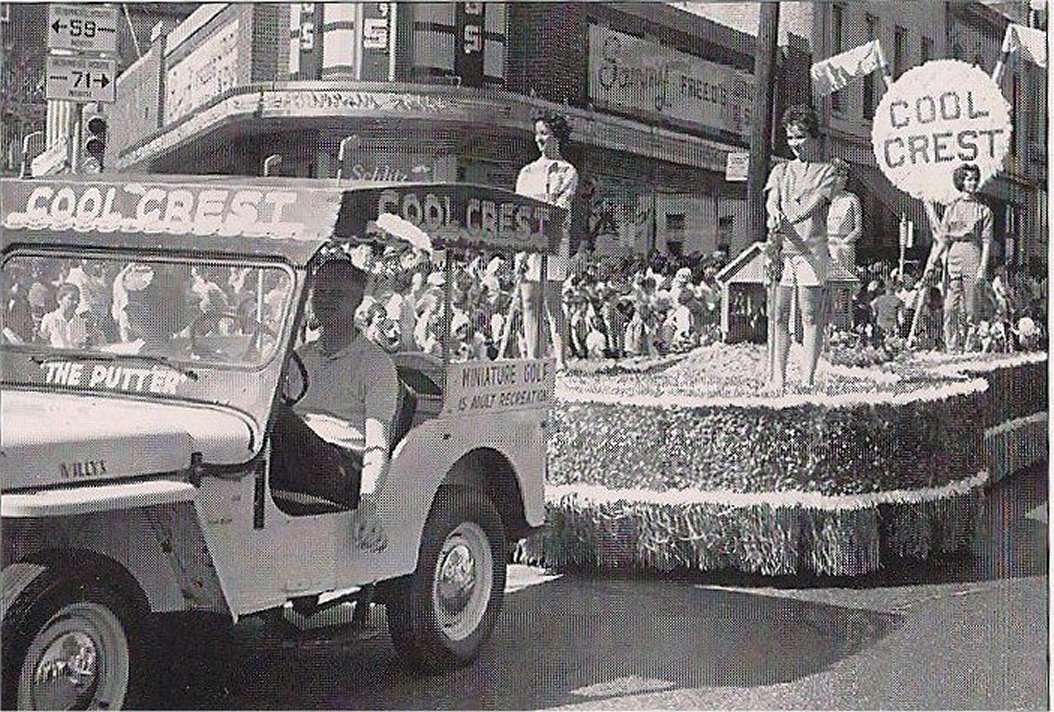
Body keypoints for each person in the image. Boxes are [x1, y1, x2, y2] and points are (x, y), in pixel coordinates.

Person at [272, 259, 392, 552]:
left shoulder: (375, 364)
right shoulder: (302, 355)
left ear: (357, 301)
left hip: (344, 468)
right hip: (299, 459)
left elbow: (377, 442)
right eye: (320, 293)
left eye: (336, 294)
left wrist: (368, 502)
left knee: (276, 417)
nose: (324, 301)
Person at [764, 104, 837, 390]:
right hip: (783, 251)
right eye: (791, 138)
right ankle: (778, 378)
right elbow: (773, 199)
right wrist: (773, 213)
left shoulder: (826, 172)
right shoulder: (781, 170)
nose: (795, 144)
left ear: (813, 137)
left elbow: (815, 205)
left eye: (800, 137)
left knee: (809, 314)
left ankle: (807, 378)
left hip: (810, 250)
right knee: (779, 314)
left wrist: (792, 217)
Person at [516, 109, 579, 370]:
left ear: (557, 137)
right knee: (529, 300)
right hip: (527, 239)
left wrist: (544, 211)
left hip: (553, 240)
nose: (540, 139)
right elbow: (519, 208)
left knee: (553, 300)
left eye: (545, 134)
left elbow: (560, 207)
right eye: (537, 134)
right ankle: (533, 359)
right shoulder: (527, 172)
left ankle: (561, 360)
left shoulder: (567, 171)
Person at [937, 163, 993, 352]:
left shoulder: (984, 210)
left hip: (973, 253)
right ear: (961, 181)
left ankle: (970, 344)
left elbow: (986, 242)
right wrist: (935, 261)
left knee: (971, 305)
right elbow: (943, 239)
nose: (972, 182)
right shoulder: (951, 208)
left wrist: (982, 268)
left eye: (975, 179)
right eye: (968, 178)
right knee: (949, 306)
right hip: (953, 254)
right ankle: (951, 346)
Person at [826, 158, 862, 272]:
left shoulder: (852, 199)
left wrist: (844, 242)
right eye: (841, 175)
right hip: (827, 246)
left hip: (845, 245)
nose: (845, 178)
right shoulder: (824, 200)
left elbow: (858, 229)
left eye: (846, 175)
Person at [39, 283, 88, 349]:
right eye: (71, 298)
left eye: (78, 299)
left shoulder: (80, 322)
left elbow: (81, 345)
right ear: (59, 300)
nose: (75, 302)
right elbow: (42, 343)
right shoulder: (49, 318)